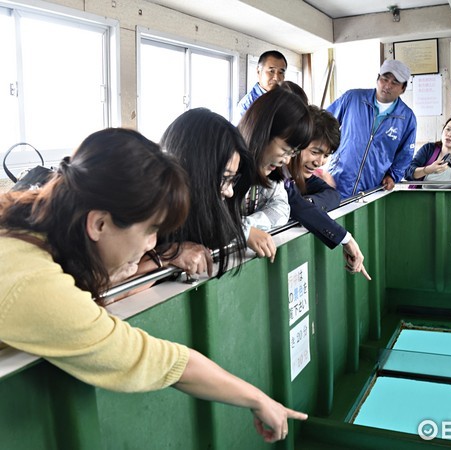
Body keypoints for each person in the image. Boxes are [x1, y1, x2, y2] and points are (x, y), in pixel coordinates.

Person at [0, 128, 306, 443]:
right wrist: (258, 399)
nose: (153, 243)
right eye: (151, 229)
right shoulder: (35, 285)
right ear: (99, 223)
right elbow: (152, 358)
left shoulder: (27, 224)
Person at [159, 108, 254, 278]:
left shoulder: (202, 219)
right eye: (224, 178)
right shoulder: (150, 215)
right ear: (196, 172)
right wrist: (166, 256)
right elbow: (107, 292)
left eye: (233, 180)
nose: (230, 192)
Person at [286, 105, 370, 279]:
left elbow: (332, 195)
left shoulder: (302, 174)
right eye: (315, 152)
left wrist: (309, 204)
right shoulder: (276, 171)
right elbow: (295, 205)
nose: (320, 162)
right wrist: (346, 240)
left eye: (326, 155)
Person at [237, 88, 313, 262]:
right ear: (264, 131)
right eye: (285, 150)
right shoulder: (225, 162)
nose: (286, 161)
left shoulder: (269, 170)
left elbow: (280, 208)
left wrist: (247, 226)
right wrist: (242, 232)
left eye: (292, 153)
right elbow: (207, 218)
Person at [326, 59, 417, 199]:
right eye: (384, 79)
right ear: (377, 79)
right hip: (336, 181)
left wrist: (393, 176)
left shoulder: (407, 118)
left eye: (395, 83)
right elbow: (324, 125)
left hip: (371, 189)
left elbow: (405, 155)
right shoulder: (353, 98)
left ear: (403, 88)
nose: (387, 86)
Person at [233, 50, 287, 125]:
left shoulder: (286, 100)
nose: (276, 78)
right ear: (258, 71)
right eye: (271, 71)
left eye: (281, 72)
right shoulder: (247, 105)